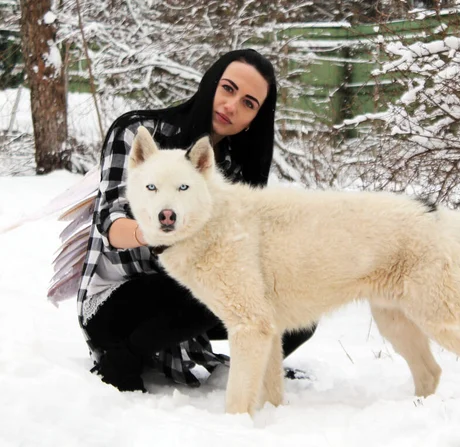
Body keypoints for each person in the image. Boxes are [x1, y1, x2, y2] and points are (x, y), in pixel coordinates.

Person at [78, 49, 316, 392]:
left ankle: (255, 368)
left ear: (256, 117)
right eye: (228, 89)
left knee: (296, 310)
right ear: (210, 84)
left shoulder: (231, 169)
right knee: (214, 283)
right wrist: (155, 232)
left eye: (249, 103)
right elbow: (110, 222)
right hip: (117, 302)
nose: (232, 106)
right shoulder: (140, 132)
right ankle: (123, 357)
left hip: (186, 296)